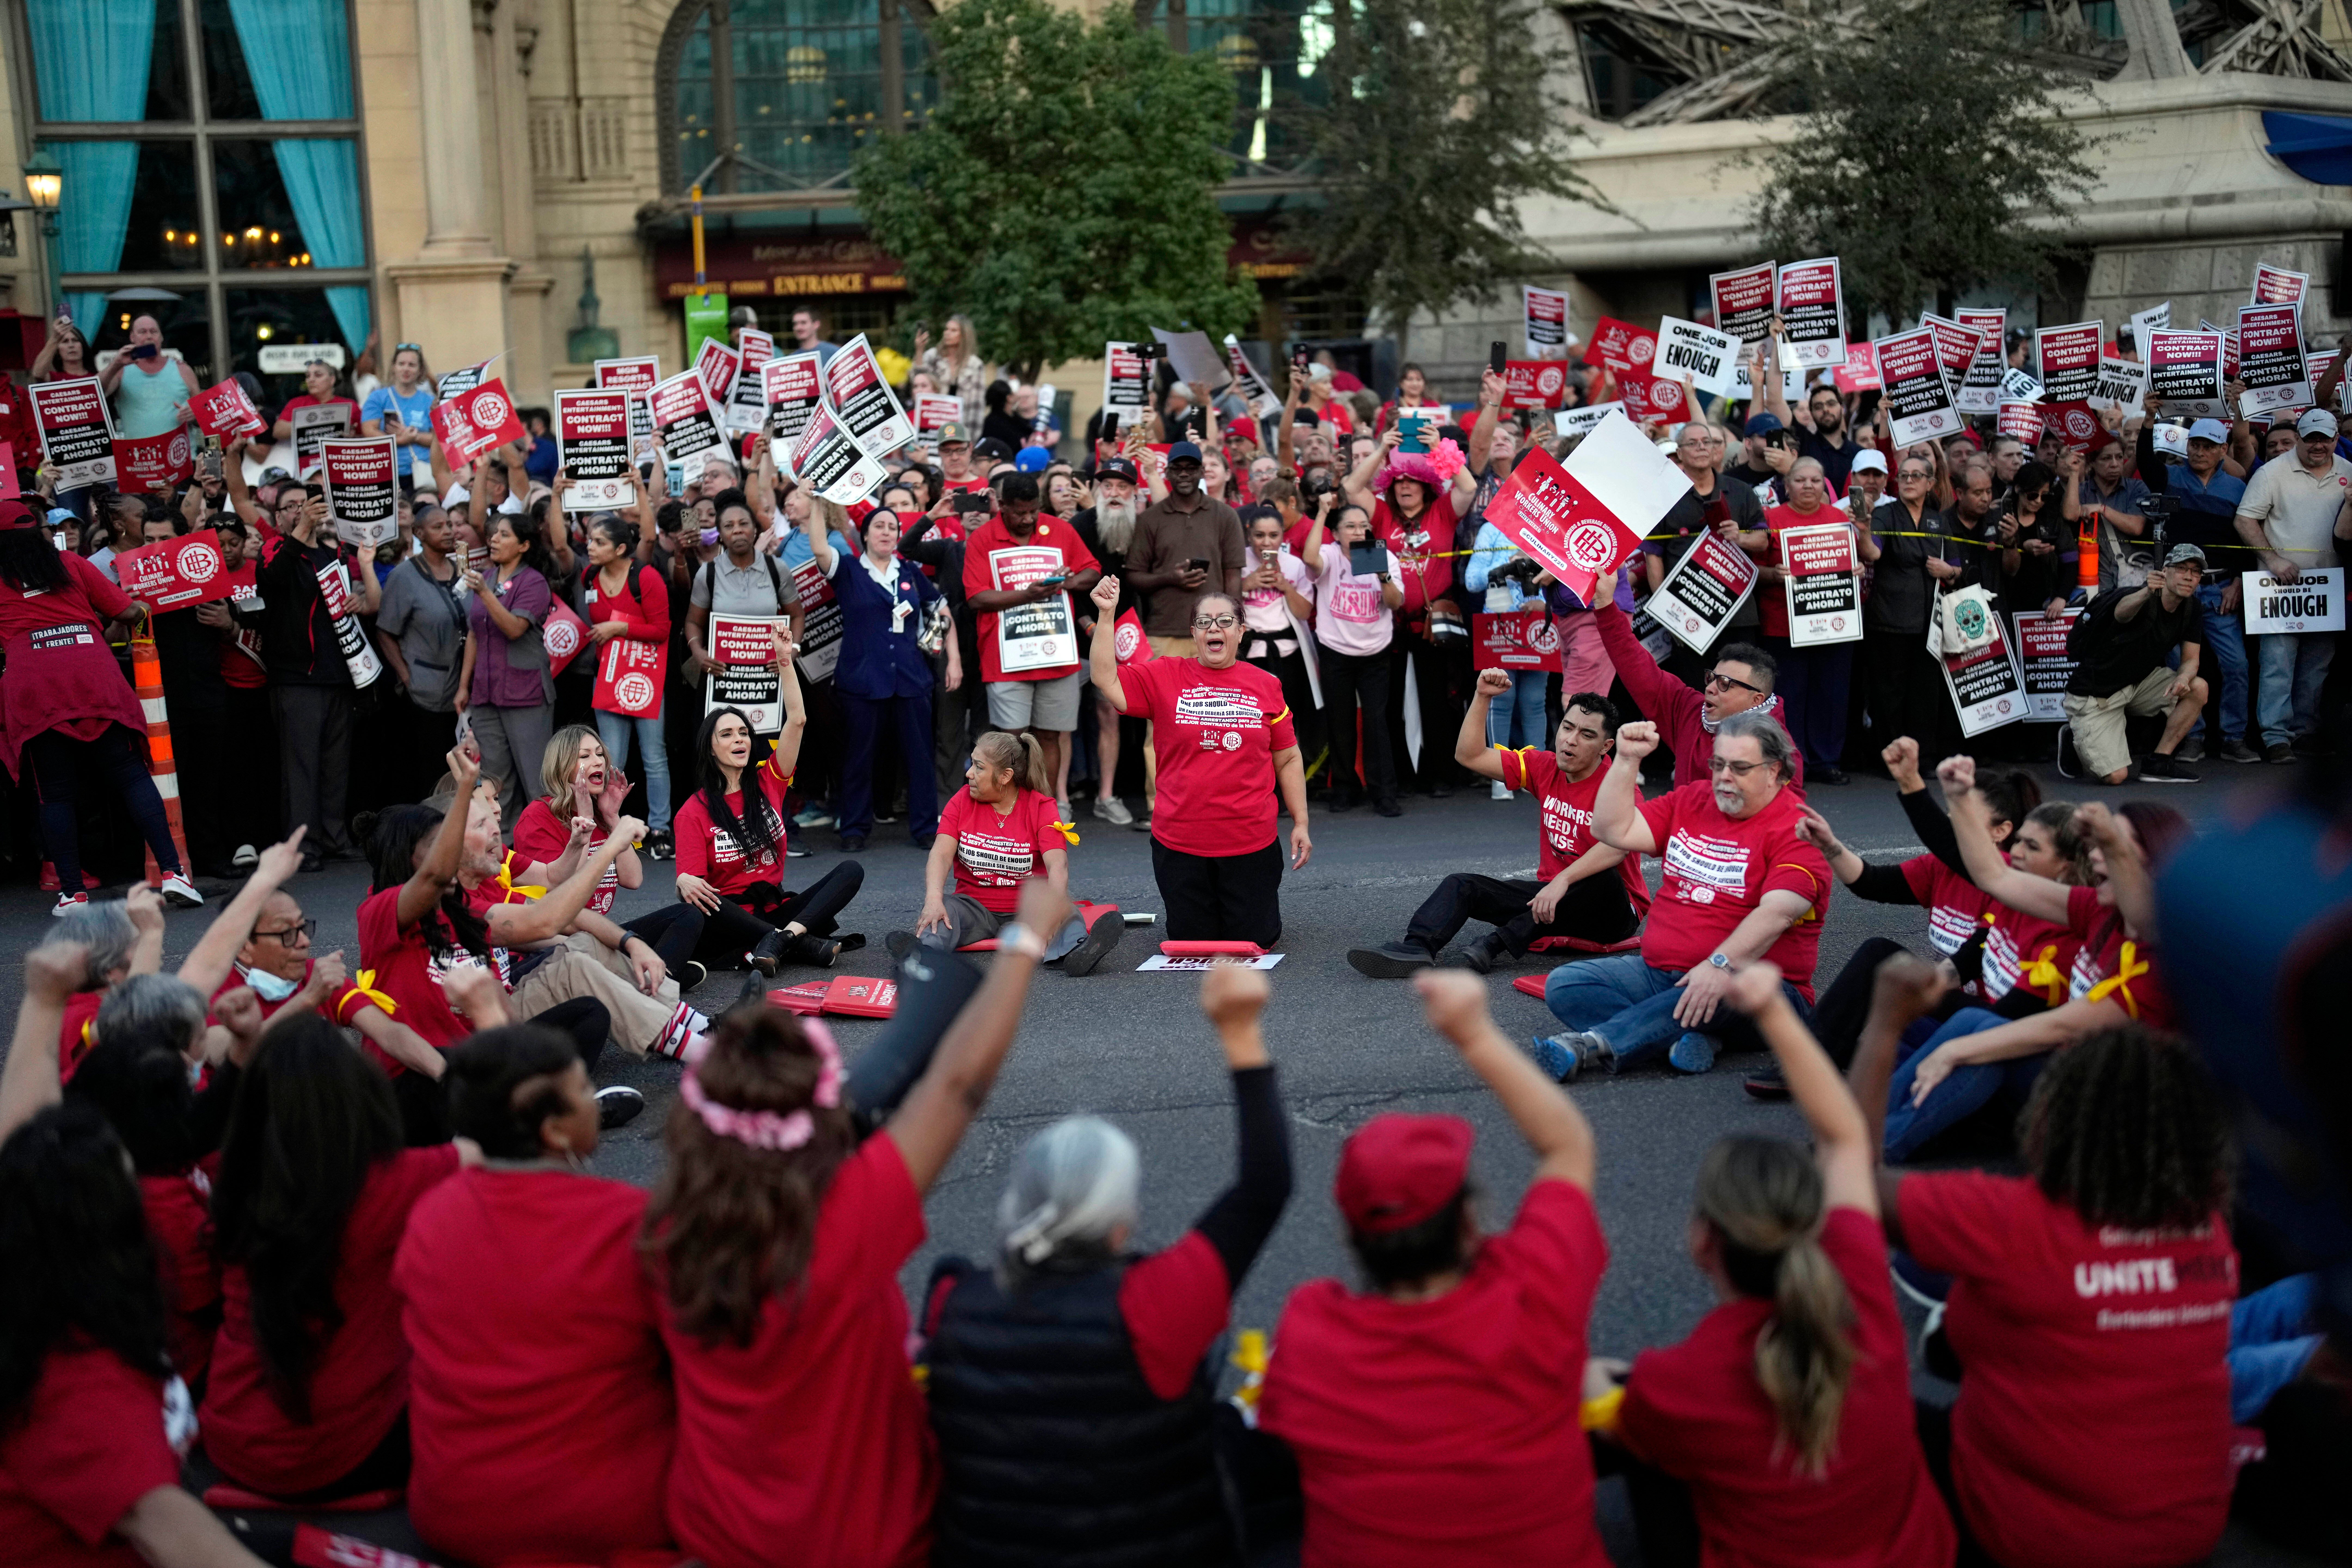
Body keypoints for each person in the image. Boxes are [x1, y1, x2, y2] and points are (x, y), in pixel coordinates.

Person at [648, 876, 1069, 1568]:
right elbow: (956, 1084)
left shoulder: (662, 1234)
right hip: (858, 1538)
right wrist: (1023, 941)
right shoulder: (844, 1216)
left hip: (720, 1534)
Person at [1850, 965, 2237, 1568]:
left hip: (2035, 1538)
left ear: (2054, 1120)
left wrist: (1883, 1024)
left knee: (1863, 1414)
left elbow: (1850, 1182)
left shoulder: (2013, 1221)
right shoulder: (2208, 1234)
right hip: (2187, 1536)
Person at [921, 963, 1291, 1565]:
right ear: (1123, 1222)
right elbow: (1264, 1188)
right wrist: (1240, 1030)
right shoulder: (1160, 1305)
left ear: (1018, 1204)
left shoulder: (952, 1303)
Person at [1591, 961, 1955, 1568]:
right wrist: (1775, 1011)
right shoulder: (1860, 1302)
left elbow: (1605, 1407)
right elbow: (1845, 1143)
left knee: (1643, 1453)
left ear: (1702, 1242)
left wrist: (1603, 1379)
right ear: (1810, 1227)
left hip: (1670, 1420)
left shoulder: (1675, 1383)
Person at [1259, 971, 1609, 1568]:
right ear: (1471, 1223)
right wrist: (1472, 1033)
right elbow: (1567, 1146)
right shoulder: (1532, 1293)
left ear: (1351, 1235)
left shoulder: (1310, 1330)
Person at [0, 941, 279, 1568]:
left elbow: (21, 1130)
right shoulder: (75, 1376)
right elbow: (169, 1528)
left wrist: (43, 1001)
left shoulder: (58, 1169)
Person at [394, 1021, 676, 1567]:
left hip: (452, 1510)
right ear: (553, 1130)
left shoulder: (429, 1215)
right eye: (581, 1091)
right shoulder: (628, 1225)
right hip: (598, 1518)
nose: (593, 1103)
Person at [199, 1011, 476, 1500]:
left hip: (232, 1442)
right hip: (345, 1454)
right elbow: (490, 1145)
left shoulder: (228, 1178)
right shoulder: (394, 1180)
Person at [1876, 762, 2185, 1162]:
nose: (2098, 859)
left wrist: (1957, 1050)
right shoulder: (2097, 910)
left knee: (1976, 1035)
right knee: (1929, 1020)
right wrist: (1958, 799)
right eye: (2098, 847)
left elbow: (2058, 1025)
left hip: (2107, 1114)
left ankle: (1874, 1151)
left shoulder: (2160, 966)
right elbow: (1993, 877)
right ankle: (1871, 1130)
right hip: (2065, 1070)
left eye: (2115, 850)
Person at [1536, 711, 1829, 1079]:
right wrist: (1627, 759)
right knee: (1567, 985)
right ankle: (1685, 1039)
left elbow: (1780, 913)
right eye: (1719, 764)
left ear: (1774, 771)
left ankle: (1590, 1045)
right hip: (1663, 972)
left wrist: (1720, 965)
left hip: (1755, 986)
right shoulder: (1694, 799)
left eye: (1740, 768)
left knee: (1720, 989)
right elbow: (1611, 829)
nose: (1724, 777)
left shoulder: (1799, 828)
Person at [1351, 673, 1646, 977]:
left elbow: (1617, 847)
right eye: (1567, 728)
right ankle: (1416, 948)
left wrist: (1563, 881)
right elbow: (1470, 756)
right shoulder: (1543, 766)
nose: (1570, 740)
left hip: (1614, 913)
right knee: (1463, 884)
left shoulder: (1619, 788)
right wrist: (1482, 697)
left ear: (1606, 747)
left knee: (1602, 879)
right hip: (1552, 899)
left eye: (1587, 735)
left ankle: (1495, 944)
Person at [0, 501, 203, 913]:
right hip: (94, 674)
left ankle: (72, 894)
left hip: (36, 686)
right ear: (40, 531)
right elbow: (129, 611)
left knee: (55, 794)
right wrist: (141, 610)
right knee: (129, 774)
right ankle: (174, 874)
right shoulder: (70, 565)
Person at [1088, 576, 1311, 946]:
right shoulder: (1164, 674)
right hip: (1180, 844)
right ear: (1194, 633)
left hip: (1250, 842)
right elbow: (1105, 677)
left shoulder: (1266, 684)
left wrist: (1301, 822)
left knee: (1257, 939)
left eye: (1225, 621)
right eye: (1204, 622)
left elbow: (1287, 757)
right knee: (1192, 939)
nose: (1214, 628)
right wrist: (1107, 614)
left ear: (1241, 631)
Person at [235, 454, 380, 866]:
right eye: (291, 507)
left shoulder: (333, 556)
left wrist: (361, 588)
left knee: (336, 766)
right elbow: (272, 581)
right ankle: (304, 846)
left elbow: (370, 605)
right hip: (297, 677)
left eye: (306, 504)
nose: (301, 511)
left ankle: (334, 838)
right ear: (278, 516)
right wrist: (300, 530)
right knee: (301, 770)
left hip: (339, 675)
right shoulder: (275, 551)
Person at [891, 728, 1125, 973]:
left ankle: (1078, 955)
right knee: (945, 911)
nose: (969, 773)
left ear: (1005, 776)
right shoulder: (961, 801)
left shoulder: (1041, 806)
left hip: (1029, 909)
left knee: (1066, 913)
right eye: (972, 764)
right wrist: (933, 900)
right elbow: (940, 854)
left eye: (979, 767)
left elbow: (1059, 866)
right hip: (973, 908)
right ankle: (922, 958)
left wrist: (1051, 916)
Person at [671, 687, 865, 974]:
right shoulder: (692, 811)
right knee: (706, 903)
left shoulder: (769, 780)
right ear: (710, 748)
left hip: (777, 910)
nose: (739, 739)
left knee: (852, 870)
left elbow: (797, 720)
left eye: (743, 733)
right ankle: (796, 941)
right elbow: (696, 895)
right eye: (726, 734)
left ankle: (785, 939)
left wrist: (785, 659)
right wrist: (683, 883)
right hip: (731, 920)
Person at [809, 501, 956, 852]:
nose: (887, 532)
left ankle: (924, 828)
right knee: (859, 757)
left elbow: (940, 607)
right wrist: (815, 502)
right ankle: (855, 829)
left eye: (892, 527)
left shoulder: (908, 572)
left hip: (911, 678)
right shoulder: (847, 569)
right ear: (865, 535)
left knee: (919, 757)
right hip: (861, 681)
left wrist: (956, 661)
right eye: (879, 526)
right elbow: (818, 547)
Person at [1345, 421, 1481, 798]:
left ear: (1425, 485)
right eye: (1398, 481)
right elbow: (1352, 488)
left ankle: (1440, 774)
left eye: (1412, 481)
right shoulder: (1384, 516)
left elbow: (1468, 486)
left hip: (1433, 628)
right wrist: (1380, 450)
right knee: (1389, 706)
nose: (1404, 486)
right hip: (1389, 624)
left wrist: (1441, 449)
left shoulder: (1442, 511)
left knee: (1436, 702)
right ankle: (1400, 776)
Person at [962, 472, 1101, 818]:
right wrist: (1027, 595)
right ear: (1002, 506)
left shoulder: (1060, 530)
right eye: (1019, 512)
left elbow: (1093, 571)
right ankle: (1010, 811)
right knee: (1011, 740)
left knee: (1050, 737)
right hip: (1006, 658)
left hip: (1057, 654)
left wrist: (1065, 582)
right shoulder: (983, 538)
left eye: (1032, 511)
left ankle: (1044, 809)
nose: (1027, 519)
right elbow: (977, 598)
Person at [2234, 405, 2350, 762]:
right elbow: (2245, 521)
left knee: (2318, 664)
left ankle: (2305, 731)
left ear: (2336, 439)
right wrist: (2273, 560)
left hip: (2328, 586)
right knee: (2277, 663)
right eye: (2311, 438)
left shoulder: (2349, 472)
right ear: (2299, 438)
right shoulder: (2272, 473)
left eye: (2326, 439)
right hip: (2280, 586)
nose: (2319, 446)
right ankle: (2275, 736)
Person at [2137, 410, 2253, 761]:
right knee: (2178, 667)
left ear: (2223, 451)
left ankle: (2234, 738)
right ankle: (2192, 735)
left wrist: (2237, 581)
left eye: (2209, 446)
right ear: (2187, 446)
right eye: (2196, 445)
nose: (2201, 452)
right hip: (2179, 590)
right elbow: (2145, 463)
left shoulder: (2237, 488)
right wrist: (2147, 419)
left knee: (2236, 665)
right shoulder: (2170, 477)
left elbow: (2246, 540)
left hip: (2219, 588)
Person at [1593, 597, 1804, 790]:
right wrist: (1605, 605)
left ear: (1756, 700)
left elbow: (1785, 821)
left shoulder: (1781, 754)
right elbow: (1636, 665)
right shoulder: (1690, 710)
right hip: (1683, 831)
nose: (1710, 688)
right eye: (1711, 678)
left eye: (1725, 684)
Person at [2062, 541, 2208, 785]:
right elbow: (2122, 613)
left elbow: (2192, 659)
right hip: (2097, 694)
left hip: (2137, 684)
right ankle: (2074, 736)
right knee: (2116, 777)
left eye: (2196, 572)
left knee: (2199, 687)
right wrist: (2145, 593)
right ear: (2165, 571)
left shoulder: (2192, 608)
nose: (2189, 577)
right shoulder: (2140, 597)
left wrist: (2184, 678)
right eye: (2182, 568)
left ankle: (2159, 762)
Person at [1857, 452, 1965, 766]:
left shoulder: (1939, 520)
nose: (1908, 481)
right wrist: (1864, 530)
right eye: (1903, 476)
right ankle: (1890, 759)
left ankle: (1924, 758)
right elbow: (1873, 553)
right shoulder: (1886, 514)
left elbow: (1958, 569)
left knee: (1925, 695)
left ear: (1931, 483)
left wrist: (1948, 571)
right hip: (1890, 621)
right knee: (1889, 695)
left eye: (1916, 476)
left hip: (1930, 624)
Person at [1754, 456, 1857, 783]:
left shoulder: (1839, 518)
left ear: (1824, 485)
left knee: (1831, 695)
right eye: (1801, 481)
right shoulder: (1770, 518)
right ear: (1787, 486)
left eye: (1815, 480)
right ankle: (1791, 760)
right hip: (1783, 626)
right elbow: (1751, 570)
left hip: (1833, 623)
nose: (1808, 486)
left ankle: (1827, 761)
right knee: (1790, 696)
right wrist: (1773, 574)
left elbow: (1853, 563)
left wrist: (1857, 569)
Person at [457, 511, 560, 829]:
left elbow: (515, 629)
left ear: (524, 545)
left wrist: (486, 596)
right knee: (496, 780)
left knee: (536, 779)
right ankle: (505, 852)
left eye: (504, 535)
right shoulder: (486, 578)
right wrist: (464, 687)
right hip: (486, 693)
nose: (494, 540)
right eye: (494, 534)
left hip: (525, 692)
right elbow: (475, 633)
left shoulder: (534, 581)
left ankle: (549, 852)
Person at [1303, 500, 1405, 814]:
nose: (1359, 531)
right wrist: (1321, 513)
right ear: (1336, 534)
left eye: (1364, 526)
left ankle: (1383, 793)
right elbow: (1309, 559)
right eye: (1351, 527)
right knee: (1340, 721)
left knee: (1377, 721)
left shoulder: (1384, 557)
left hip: (1376, 652)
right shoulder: (1331, 556)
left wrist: (1383, 576)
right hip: (1336, 651)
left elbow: (1397, 603)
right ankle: (1344, 788)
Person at [581, 512, 675, 854]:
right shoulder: (589, 576)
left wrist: (619, 628)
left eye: (599, 542)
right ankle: (610, 827)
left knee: (654, 757)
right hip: (608, 676)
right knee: (610, 759)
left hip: (643, 678)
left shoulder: (646, 578)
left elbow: (662, 630)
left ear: (621, 548)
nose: (591, 547)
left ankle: (661, 830)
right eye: (591, 541)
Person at [373, 499, 470, 801]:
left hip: (463, 692)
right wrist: (406, 675)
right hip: (423, 692)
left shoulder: (462, 570)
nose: (448, 532)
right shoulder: (404, 577)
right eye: (438, 527)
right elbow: (385, 631)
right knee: (426, 771)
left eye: (451, 526)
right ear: (419, 533)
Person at [1070, 455, 1147, 826]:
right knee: (1062, 722)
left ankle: (1107, 795)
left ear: (1133, 492)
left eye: (1122, 487)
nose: (1114, 493)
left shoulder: (1140, 528)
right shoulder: (1080, 524)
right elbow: (1068, 585)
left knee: (1110, 715)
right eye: (1108, 486)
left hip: (1122, 637)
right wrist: (1087, 624)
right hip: (1076, 634)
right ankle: (1057, 801)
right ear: (1097, 490)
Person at [1238, 501, 1321, 768]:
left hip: (1288, 654)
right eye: (1260, 536)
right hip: (1251, 654)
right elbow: (1222, 605)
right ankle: (1260, 784)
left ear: (1283, 536)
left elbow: (1304, 612)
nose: (1266, 543)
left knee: (1286, 724)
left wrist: (1285, 587)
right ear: (1249, 534)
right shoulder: (1238, 562)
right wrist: (1245, 585)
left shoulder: (1294, 565)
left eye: (1273, 536)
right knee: (1253, 725)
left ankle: (1288, 784)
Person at [100, 315, 198, 440]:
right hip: (139, 455)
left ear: (161, 337)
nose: (149, 336)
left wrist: (195, 414)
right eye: (143, 332)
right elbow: (96, 392)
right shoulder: (122, 370)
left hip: (179, 455)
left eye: (154, 332)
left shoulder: (183, 370)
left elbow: (204, 416)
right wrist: (116, 364)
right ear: (132, 338)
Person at [360, 342, 436, 489]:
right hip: (387, 471)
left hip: (423, 472)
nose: (406, 369)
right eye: (401, 364)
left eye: (412, 365)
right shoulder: (378, 398)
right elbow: (369, 431)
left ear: (421, 371)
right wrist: (400, 440)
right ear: (394, 367)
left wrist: (415, 437)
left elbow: (438, 439)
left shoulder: (430, 401)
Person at [914, 316, 988, 431]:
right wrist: (920, 350)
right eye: (946, 329)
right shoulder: (933, 356)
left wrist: (971, 439)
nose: (947, 333)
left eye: (954, 331)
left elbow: (977, 406)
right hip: (932, 424)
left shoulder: (975, 365)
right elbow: (918, 379)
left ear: (964, 336)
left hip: (962, 427)